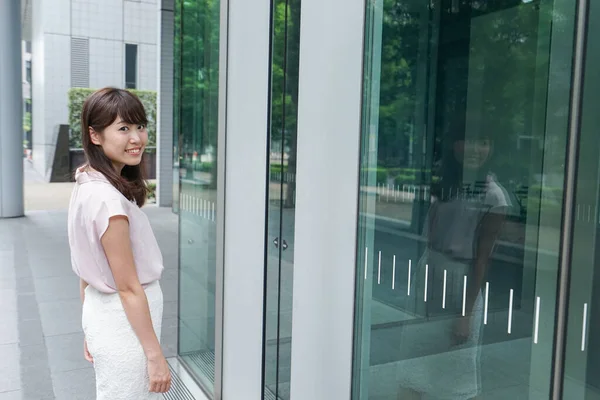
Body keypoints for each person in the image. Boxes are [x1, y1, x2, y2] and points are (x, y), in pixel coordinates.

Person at [67, 87, 171, 399]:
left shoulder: (87, 180)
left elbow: (88, 266)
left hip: (105, 314)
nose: (137, 138)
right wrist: (155, 357)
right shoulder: (108, 201)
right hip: (125, 322)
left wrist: (91, 326)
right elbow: (127, 287)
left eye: (140, 126)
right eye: (123, 128)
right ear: (95, 135)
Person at [395, 132, 510, 399]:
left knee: (455, 371)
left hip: (462, 281)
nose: (475, 148)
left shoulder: (494, 196)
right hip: (430, 273)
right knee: (413, 360)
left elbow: (482, 259)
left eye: (483, 141)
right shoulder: (445, 185)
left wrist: (465, 315)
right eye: (467, 139)